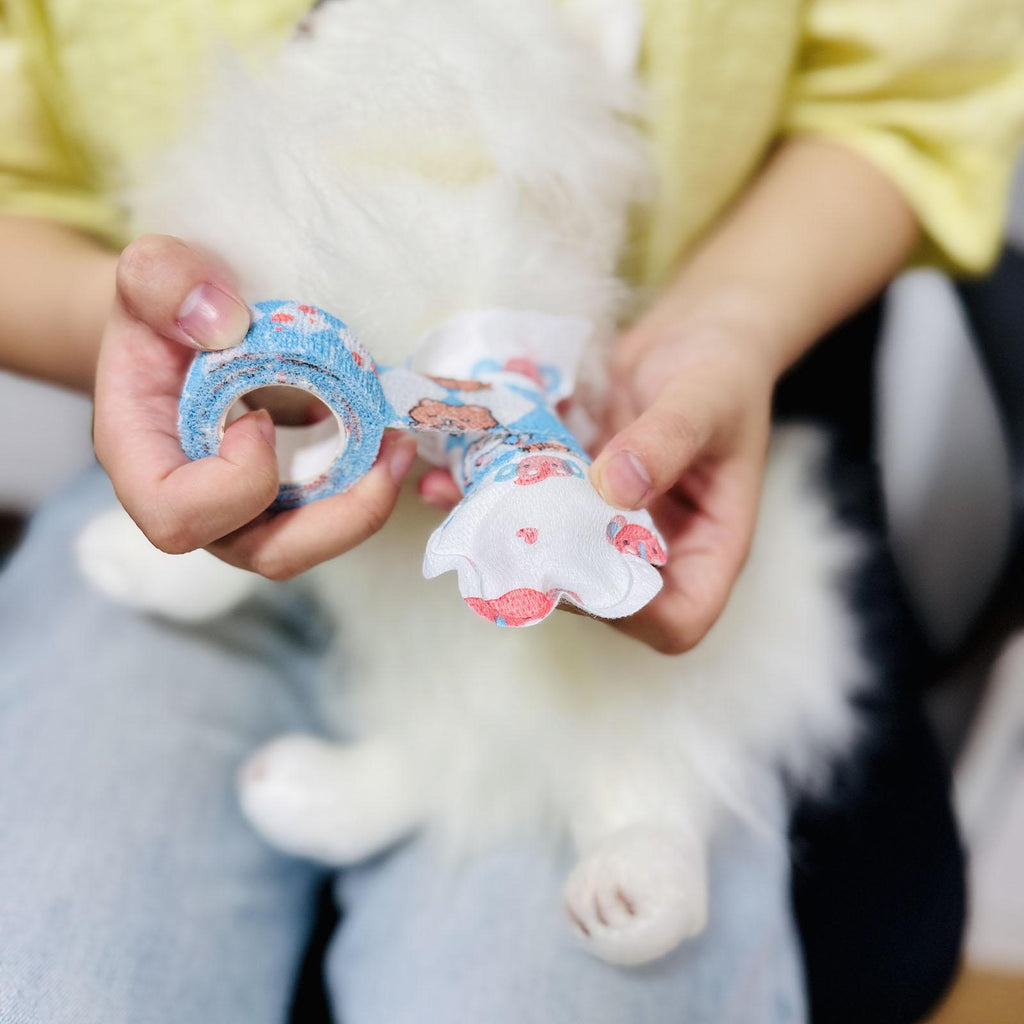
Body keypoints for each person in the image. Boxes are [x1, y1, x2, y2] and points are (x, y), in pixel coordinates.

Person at [1, 1, 1022, 1021]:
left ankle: (592, 816)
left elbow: (907, 105)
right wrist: (149, 338)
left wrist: (734, 320)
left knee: (558, 952)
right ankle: (398, 761)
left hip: (620, 438)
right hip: (208, 449)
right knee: (56, 964)